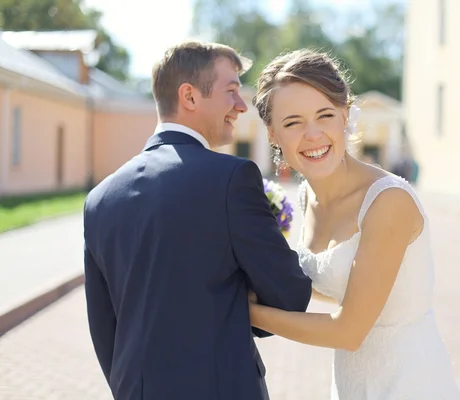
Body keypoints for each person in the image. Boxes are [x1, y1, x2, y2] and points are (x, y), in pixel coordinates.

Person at [83, 41, 312, 400]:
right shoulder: (232, 179)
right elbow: (290, 295)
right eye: (232, 91)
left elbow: (103, 327)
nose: (241, 105)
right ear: (189, 97)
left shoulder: (99, 199)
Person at [249, 49, 460, 399]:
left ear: (345, 116)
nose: (314, 134)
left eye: (325, 115)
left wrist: (248, 312)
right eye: (293, 122)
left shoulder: (387, 201)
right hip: (353, 381)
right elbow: (332, 280)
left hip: (410, 381)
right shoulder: (306, 196)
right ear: (273, 134)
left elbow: (349, 331)